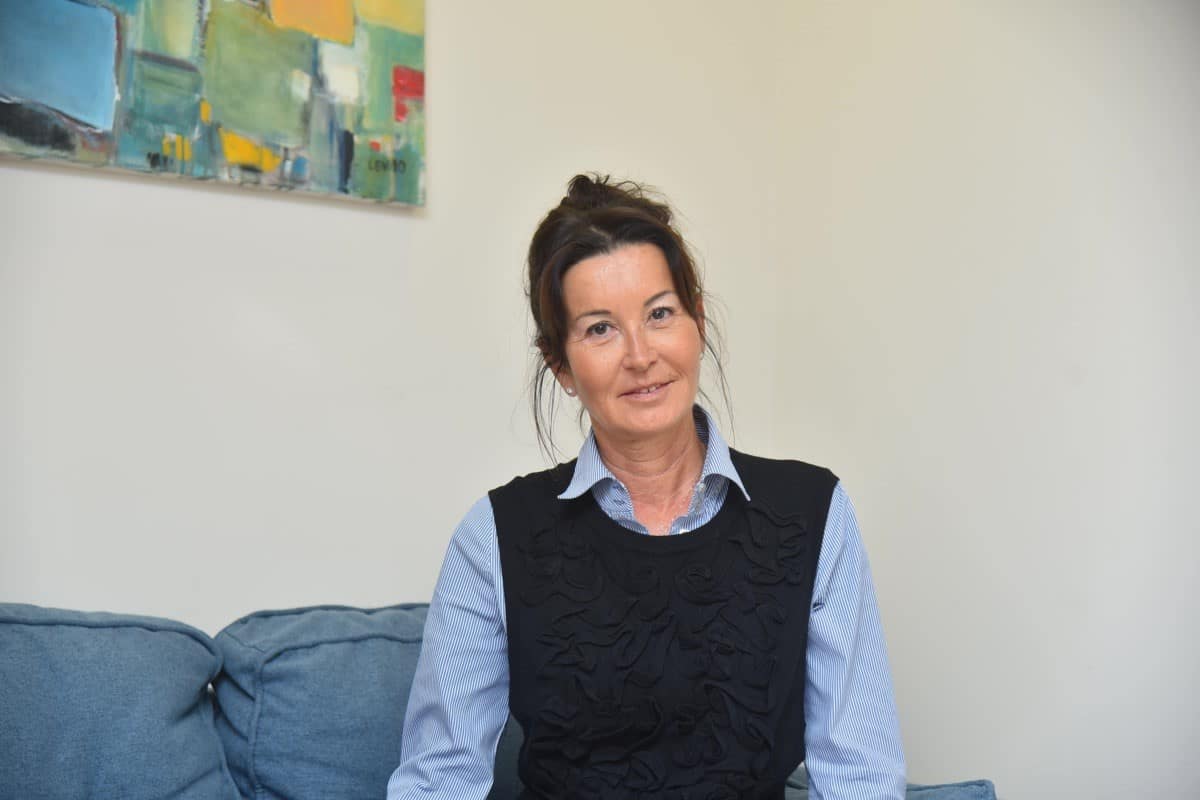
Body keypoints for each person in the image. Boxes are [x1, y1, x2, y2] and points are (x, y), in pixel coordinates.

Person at [387, 175, 905, 799]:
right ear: (561, 365)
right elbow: (440, 778)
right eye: (600, 329)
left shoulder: (814, 514)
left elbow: (859, 774)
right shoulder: (494, 536)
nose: (640, 355)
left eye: (660, 314)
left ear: (697, 321)